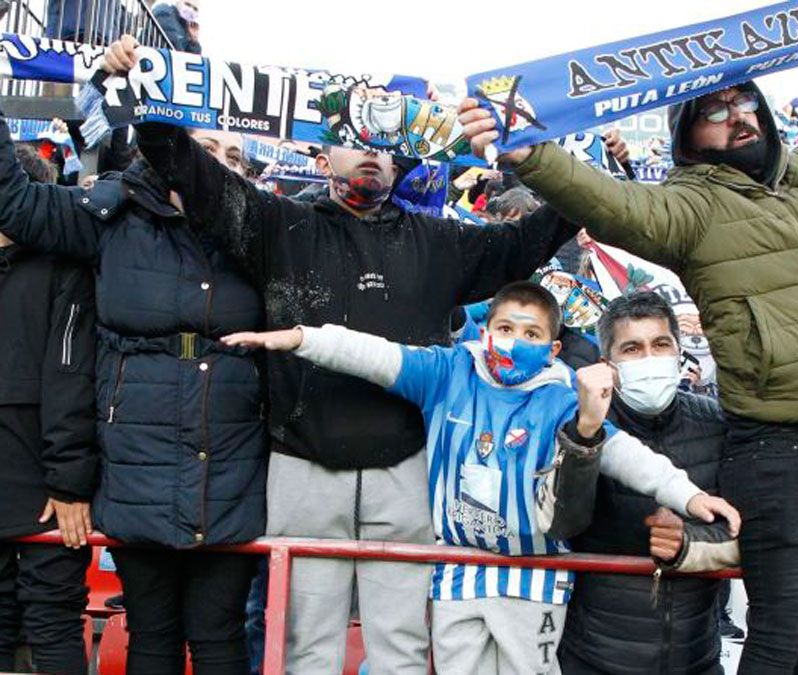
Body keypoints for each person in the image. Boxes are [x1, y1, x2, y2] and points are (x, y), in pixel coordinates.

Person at [460, 31, 798, 673]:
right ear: (687, 135)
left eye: (746, 102)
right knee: (779, 634)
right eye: (716, 112)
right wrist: (532, 156)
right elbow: (609, 205)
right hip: (776, 446)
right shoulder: (689, 206)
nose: (739, 117)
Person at [103, 32, 580, 673]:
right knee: (304, 649)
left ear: (403, 161)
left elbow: (537, 236)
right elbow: (184, 166)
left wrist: (542, 157)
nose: (372, 157)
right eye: (358, 140)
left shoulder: (440, 243)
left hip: (406, 472)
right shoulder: (277, 225)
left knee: (402, 650)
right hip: (302, 468)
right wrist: (146, 88)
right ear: (324, 152)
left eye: (387, 148)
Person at [222, 281, 740, 675]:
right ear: (486, 329)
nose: (515, 342)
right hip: (458, 572)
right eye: (507, 329)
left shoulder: (561, 399)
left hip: (533, 578)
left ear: (553, 348)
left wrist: (690, 497)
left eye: (532, 334)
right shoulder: (448, 372)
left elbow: (627, 455)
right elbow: (372, 354)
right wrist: (300, 338)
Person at [0, 108, 266, 674]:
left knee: (220, 635)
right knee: (151, 633)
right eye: (207, 149)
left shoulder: (266, 231)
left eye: (234, 157)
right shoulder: (111, 214)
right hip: (135, 461)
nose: (219, 165)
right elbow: (16, 204)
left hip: (231, 462)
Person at [557, 291, 738, 675]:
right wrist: (585, 435)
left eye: (660, 344)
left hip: (697, 659)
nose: (650, 358)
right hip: (595, 658)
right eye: (633, 349)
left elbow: (747, 525)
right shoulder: (580, 425)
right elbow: (563, 522)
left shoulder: (717, 423)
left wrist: (688, 542)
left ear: (678, 351)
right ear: (608, 364)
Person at [0, 146, 97, 675]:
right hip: (51, 491)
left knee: (49, 621)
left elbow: (66, 380)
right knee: (54, 621)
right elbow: (70, 380)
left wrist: (66, 482)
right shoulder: (70, 269)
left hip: (50, 489)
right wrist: (68, 482)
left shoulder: (66, 268)